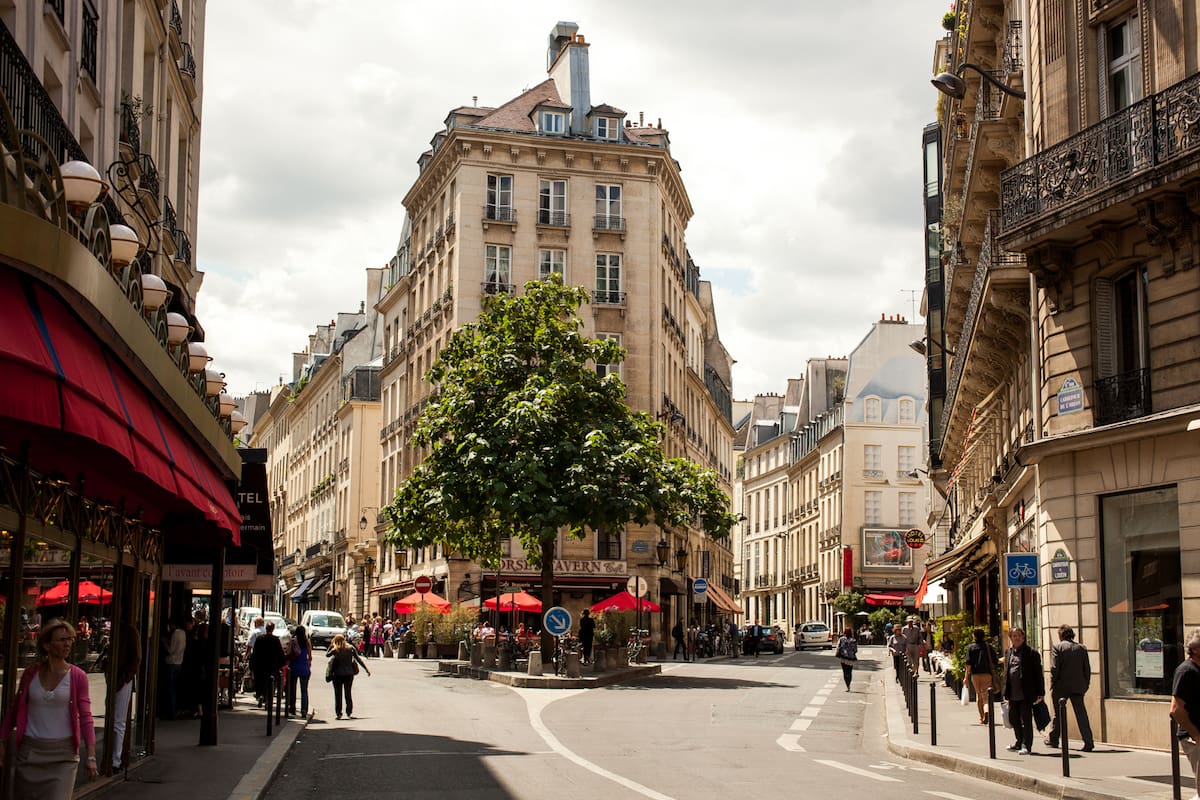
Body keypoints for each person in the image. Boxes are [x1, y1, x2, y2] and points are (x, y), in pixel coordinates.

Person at [0, 619, 98, 795]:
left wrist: (91, 755)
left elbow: (85, 717)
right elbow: (14, 710)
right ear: (46, 645)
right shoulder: (31, 674)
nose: (67, 644)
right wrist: (2, 739)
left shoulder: (78, 676)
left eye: (70, 639)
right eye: (61, 640)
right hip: (30, 753)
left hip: (63, 757)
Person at [1045, 624, 1094, 750]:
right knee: (1081, 714)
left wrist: (1053, 683)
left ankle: (1054, 739)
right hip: (1078, 685)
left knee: (1058, 714)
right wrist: (1085, 684)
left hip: (1061, 685)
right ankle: (1088, 741)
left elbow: (1054, 668)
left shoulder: (1058, 647)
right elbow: (1087, 669)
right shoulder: (1081, 648)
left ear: (1060, 635)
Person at [1002, 627, 1045, 755]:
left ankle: (1027, 744)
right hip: (1012, 692)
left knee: (1026, 719)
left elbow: (1038, 674)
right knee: (1014, 718)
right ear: (1010, 638)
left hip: (1026, 693)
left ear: (1023, 637)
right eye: (1014, 636)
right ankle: (1019, 741)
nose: (1017, 638)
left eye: (1019, 635)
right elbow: (1007, 671)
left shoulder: (1031, 653)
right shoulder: (1008, 652)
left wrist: (1040, 692)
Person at [1171, 635, 1200, 796]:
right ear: (1195, 650)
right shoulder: (1186, 671)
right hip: (1194, 737)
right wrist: (1195, 734)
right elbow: (1176, 709)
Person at [110, 620, 141, 770]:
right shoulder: (122, 630)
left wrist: (125, 678)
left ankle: (115, 759)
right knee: (116, 720)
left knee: (118, 720)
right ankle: (114, 758)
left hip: (122, 678)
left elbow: (136, 658)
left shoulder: (128, 631)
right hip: (118, 677)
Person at [326, 634, 370, 720]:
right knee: (348, 693)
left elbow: (327, 655)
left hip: (337, 674)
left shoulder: (335, 649)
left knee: (338, 694)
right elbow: (358, 659)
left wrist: (331, 645)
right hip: (349, 674)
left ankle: (339, 713)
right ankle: (349, 711)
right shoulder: (350, 648)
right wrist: (366, 669)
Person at [249, 620, 286, 710]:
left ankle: (260, 695)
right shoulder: (275, 640)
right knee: (270, 683)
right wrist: (281, 664)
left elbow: (255, 652)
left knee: (260, 681)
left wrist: (252, 664)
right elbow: (280, 653)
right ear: (273, 629)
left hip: (260, 665)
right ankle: (267, 698)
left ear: (266, 628)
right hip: (271, 666)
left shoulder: (260, 639)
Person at [964, 628, 996, 725]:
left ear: (974, 636)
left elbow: (968, 664)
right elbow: (995, 660)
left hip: (975, 674)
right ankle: (987, 711)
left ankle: (982, 717)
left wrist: (966, 677)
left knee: (979, 695)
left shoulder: (971, 647)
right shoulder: (988, 647)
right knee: (986, 696)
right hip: (987, 673)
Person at [286, 625, 313, 718]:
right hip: (304, 667)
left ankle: (292, 708)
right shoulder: (307, 642)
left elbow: (288, 653)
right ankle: (304, 710)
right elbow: (310, 656)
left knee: (292, 689)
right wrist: (308, 664)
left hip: (294, 667)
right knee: (304, 690)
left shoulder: (293, 641)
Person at [163, 618, 187, 719]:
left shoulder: (175, 634)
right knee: (174, 687)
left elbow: (171, 649)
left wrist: (164, 642)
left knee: (170, 688)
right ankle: (174, 710)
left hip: (172, 662)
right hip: (179, 662)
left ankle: (171, 711)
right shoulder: (183, 633)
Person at [835, 627, 858, 691]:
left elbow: (838, 647)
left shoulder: (841, 639)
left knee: (845, 672)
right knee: (849, 672)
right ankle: (849, 683)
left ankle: (847, 685)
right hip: (851, 659)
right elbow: (855, 650)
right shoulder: (853, 640)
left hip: (843, 658)